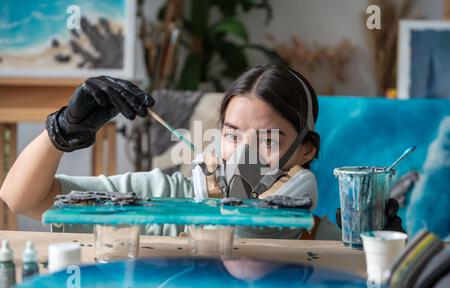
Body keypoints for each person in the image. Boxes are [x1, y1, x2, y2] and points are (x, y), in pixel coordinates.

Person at [0, 65, 400, 238]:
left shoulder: (325, 239)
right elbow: (23, 199)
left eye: (267, 140)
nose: (244, 154)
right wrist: (63, 131)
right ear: (215, 138)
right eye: (232, 134)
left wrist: (379, 253)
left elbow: (244, 238)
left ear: (303, 152)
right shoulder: (161, 201)